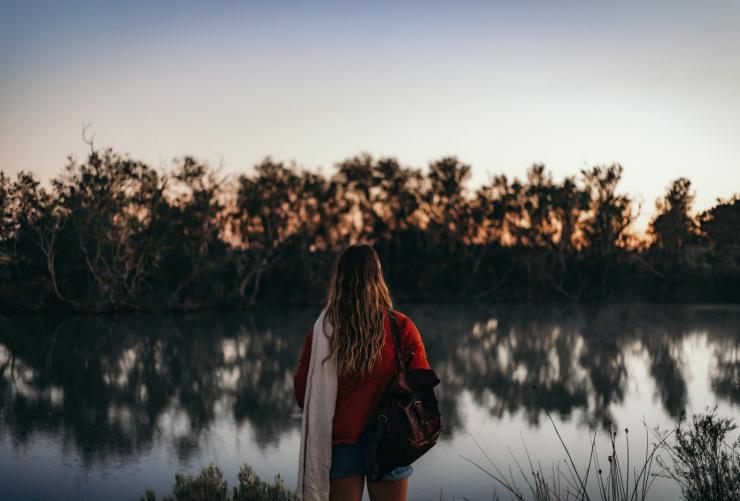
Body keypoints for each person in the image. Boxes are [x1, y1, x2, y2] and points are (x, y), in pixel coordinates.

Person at [294, 244, 431, 501]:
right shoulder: (401, 327)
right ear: (378, 277)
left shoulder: (322, 333)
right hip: (390, 441)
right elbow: (422, 383)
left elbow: (305, 394)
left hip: (342, 443)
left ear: (340, 279)